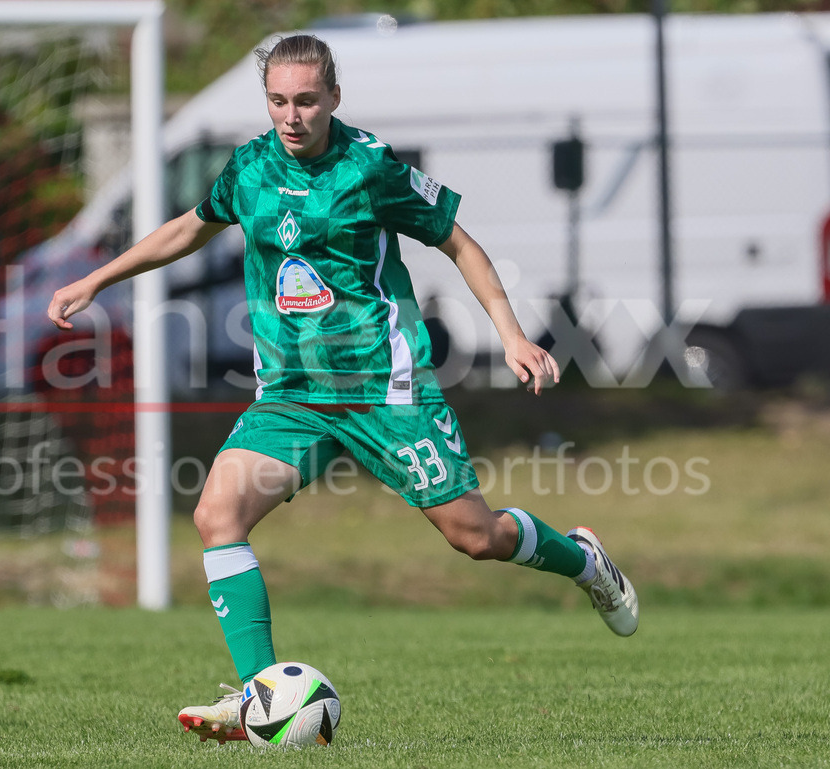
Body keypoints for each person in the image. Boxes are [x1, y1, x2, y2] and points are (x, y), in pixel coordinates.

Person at [47, 33, 638, 744]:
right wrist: (96, 279)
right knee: (217, 514)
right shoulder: (250, 167)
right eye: (276, 101)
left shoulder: (370, 167)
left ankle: (584, 559)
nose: (290, 116)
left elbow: (458, 241)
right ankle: (257, 693)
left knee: (474, 537)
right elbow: (189, 228)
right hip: (293, 395)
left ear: (333, 96)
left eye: (304, 100)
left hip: (385, 391)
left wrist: (511, 334)